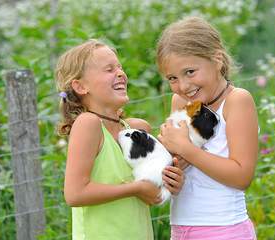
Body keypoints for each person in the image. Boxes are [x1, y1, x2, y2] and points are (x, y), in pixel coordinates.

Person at [55, 39, 184, 240]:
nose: (121, 73)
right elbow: (75, 193)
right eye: (109, 69)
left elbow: (151, 194)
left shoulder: (138, 129)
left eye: (120, 67)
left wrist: (169, 182)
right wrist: (136, 188)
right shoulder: (88, 124)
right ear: (80, 86)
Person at [156, 16, 259, 240]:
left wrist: (186, 150)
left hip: (224, 229)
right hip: (181, 228)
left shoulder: (236, 101)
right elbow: (181, 162)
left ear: (218, 59)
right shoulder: (181, 102)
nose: (183, 86)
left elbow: (242, 176)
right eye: (172, 78)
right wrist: (172, 167)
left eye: (190, 72)